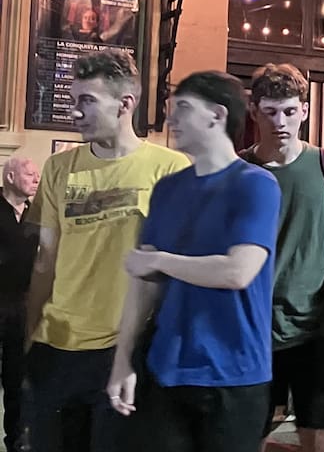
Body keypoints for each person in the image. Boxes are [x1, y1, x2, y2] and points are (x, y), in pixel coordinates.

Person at [105, 70, 280, 452]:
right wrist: (122, 359)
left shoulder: (255, 184)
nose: (171, 119)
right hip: (167, 367)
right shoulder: (168, 189)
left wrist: (162, 260)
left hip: (233, 374)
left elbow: (237, 271)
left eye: (183, 108)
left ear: (217, 115)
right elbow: (143, 282)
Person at [25, 49, 190, 452]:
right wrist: (28, 335)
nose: (75, 112)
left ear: (125, 104)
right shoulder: (59, 168)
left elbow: (177, 269)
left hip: (126, 348)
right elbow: (46, 260)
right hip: (57, 344)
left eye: (87, 100)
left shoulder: (170, 168)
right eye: (72, 100)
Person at [241, 63, 324, 452]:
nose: (280, 122)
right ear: (254, 111)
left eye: (289, 111)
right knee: (248, 431)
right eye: (270, 111)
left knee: (320, 432)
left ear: (305, 111)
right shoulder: (239, 170)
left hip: (315, 325)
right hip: (253, 324)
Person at [1, 157, 39, 452]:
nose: (36, 179)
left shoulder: (34, 215)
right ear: (11, 176)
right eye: (29, 174)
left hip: (20, 306)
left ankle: (15, 440)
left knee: (17, 379)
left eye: (37, 174)